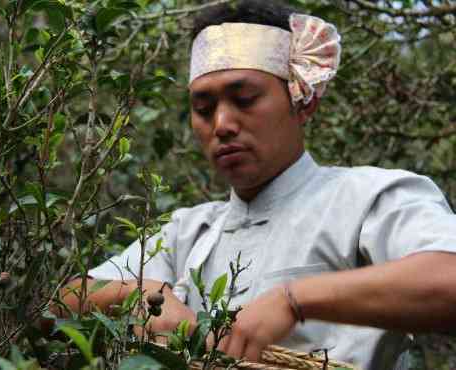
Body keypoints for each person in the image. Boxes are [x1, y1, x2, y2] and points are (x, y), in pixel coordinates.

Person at [54, 1, 456, 369]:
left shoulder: (368, 199)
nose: (222, 124)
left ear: (304, 100)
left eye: (244, 98)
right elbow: (58, 305)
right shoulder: (189, 232)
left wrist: (295, 299)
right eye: (203, 109)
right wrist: (135, 295)